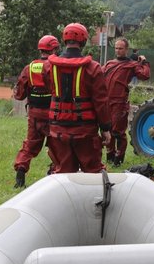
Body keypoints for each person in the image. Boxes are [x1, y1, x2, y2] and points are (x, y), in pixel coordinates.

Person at [43, 22, 113, 173]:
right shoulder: (93, 68)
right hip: (85, 130)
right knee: (93, 172)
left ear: (64, 40)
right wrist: (106, 128)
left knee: (62, 174)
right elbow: (101, 102)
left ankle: (63, 197)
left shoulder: (49, 66)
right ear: (83, 41)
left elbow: (50, 88)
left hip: (58, 129)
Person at [11, 35, 59, 187]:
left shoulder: (29, 67)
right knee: (57, 145)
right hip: (53, 114)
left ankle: (21, 170)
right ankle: (53, 174)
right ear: (54, 48)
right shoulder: (56, 66)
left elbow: (19, 94)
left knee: (30, 144)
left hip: (34, 113)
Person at [102, 38, 151, 167]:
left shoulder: (132, 64)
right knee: (107, 129)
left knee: (117, 131)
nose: (118, 50)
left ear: (126, 49)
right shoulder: (109, 63)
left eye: (120, 48)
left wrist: (144, 62)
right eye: (116, 48)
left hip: (119, 102)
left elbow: (145, 75)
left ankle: (119, 158)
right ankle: (110, 156)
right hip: (106, 102)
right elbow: (97, 76)